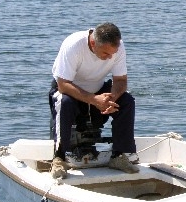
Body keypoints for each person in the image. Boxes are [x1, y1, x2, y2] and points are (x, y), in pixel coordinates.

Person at [48, 22, 137, 178]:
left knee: (127, 101)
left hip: (98, 89)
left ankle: (119, 155)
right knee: (64, 102)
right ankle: (59, 158)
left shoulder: (118, 47)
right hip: (69, 90)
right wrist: (94, 99)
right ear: (93, 43)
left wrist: (111, 98)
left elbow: (121, 80)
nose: (110, 57)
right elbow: (63, 85)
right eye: (105, 53)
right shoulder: (73, 45)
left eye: (112, 53)